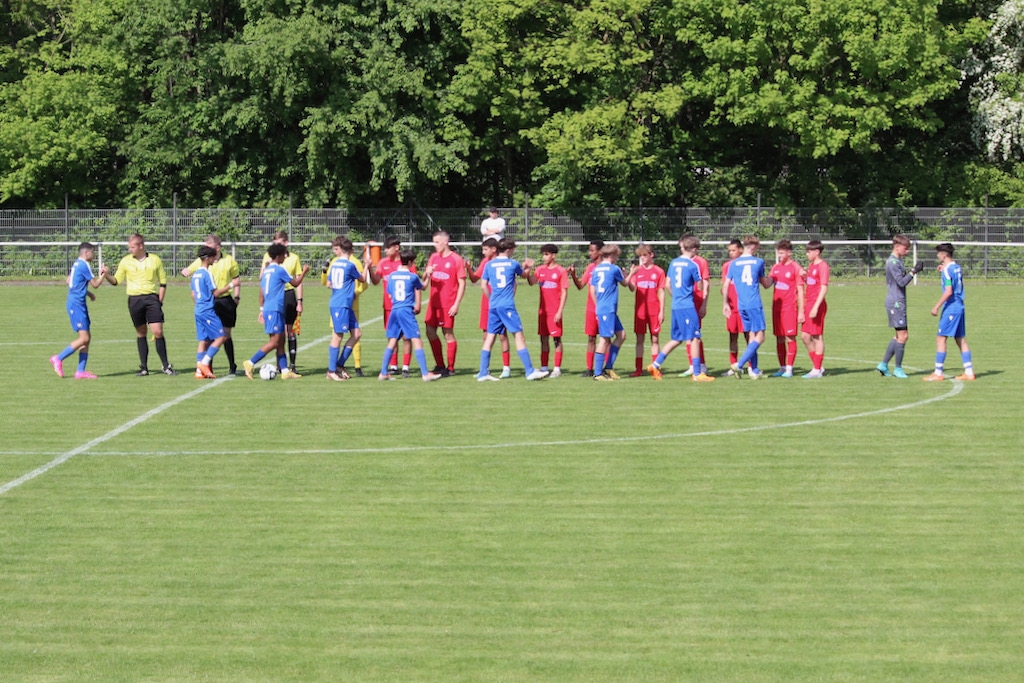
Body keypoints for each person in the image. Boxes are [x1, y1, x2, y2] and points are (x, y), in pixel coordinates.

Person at [102, 233, 177, 376]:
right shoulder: (125, 261)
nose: (130, 249)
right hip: (134, 300)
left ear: (141, 246)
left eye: (132, 247)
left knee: (157, 331)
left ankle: (165, 365)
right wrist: (106, 275)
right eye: (129, 247)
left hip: (152, 299)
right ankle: (144, 367)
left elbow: (163, 282)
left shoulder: (155, 260)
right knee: (141, 332)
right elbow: (116, 281)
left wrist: (160, 301)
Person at [476, 239, 548, 381]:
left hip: (494, 305)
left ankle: (483, 372)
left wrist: (491, 299)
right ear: (509, 249)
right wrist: (528, 266)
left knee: (490, 338)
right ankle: (529, 371)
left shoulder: (489, 264)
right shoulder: (512, 263)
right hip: (507, 305)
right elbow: (524, 275)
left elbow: (483, 285)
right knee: (518, 336)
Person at [647, 235, 715, 382]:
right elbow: (700, 285)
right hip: (687, 306)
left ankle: (655, 365)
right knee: (695, 338)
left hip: (676, 305)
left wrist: (676, 296)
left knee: (677, 339)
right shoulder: (692, 265)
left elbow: (667, 284)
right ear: (694, 249)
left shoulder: (674, 263)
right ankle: (697, 373)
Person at [244, 243, 310, 379]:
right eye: (284, 255)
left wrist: (262, 309)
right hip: (275, 309)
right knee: (274, 342)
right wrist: (304, 272)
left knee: (281, 341)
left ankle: (285, 371)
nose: (285, 258)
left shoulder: (267, 271)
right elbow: (295, 283)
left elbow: (261, 292)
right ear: (279, 256)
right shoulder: (280, 270)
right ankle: (250, 363)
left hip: (270, 308)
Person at [181, 234, 241, 375]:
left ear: (218, 248)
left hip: (222, 302)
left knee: (217, 336)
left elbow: (236, 277)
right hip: (210, 303)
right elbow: (216, 292)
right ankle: (205, 365)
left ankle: (223, 366)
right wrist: (231, 285)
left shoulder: (229, 260)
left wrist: (237, 297)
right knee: (218, 336)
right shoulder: (205, 270)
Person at [378, 250, 442, 382]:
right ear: (410, 262)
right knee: (416, 340)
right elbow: (423, 287)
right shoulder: (412, 276)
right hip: (406, 310)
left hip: (394, 309)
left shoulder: (392, 276)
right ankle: (425, 374)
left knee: (392, 341)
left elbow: (389, 293)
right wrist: (428, 275)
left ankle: (383, 372)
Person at [50, 242, 108, 379]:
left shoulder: (76, 264)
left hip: (78, 302)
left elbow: (70, 282)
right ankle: (58, 358)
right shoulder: (84, 265)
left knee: (87, 338)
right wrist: (104, 275)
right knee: (84, 338)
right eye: (93, 252)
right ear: (86, 253)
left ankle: (80, 371)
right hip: (76, 304)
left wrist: (87, 293)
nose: (94, 255)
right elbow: (95, 284)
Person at [923, 243, 976, 381]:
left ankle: (938, 373)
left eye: (939, 253)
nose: (937, 255)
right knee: (960, 339)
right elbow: (953, 279)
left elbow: (948, 291)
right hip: (960, 306)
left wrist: (936, 306)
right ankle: (969, 372)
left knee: (941, 338)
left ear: (944, 255)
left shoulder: (947, 270)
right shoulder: (956, 267)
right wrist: (944, 270)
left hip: (951, 308)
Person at [724, 235, 772, 379]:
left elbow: (726, 285)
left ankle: (754, 371)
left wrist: (725, 304)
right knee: (760, 336)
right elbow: (766, 284)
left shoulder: (734, 264)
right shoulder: (758, 262)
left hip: (741, 305)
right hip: (754, 304)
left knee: (752, 336)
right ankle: (739, 364)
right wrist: (774, 276)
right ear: (754, 247)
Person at [324, 236, 370, 381]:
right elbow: (362, 279)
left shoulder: (335, 264)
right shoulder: (350, 265)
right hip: (341, 304)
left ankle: (339, 365)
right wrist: (367, 265)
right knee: (338, 336)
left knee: (357, 334)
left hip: (343, 304)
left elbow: (328, 284)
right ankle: (331, 371)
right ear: (351, 251)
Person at [368, 235, 415, 377]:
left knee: (406, 336)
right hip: (389, 307)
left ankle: (406, 367)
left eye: (388, 248)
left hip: (405, 306)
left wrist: (416, 303)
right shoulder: (383, 263)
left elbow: (415, 285)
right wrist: (369, 268)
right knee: (392, 336)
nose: (385, 251)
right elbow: (376, 281)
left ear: (396, 248)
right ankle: (393, 366)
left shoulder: (406, 263)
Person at [878, 234, 924, 379]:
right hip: (896, 303)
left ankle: (883, 364)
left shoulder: (897, 261)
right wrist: (913, 271)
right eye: (905, 248)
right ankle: (898, 368)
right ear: (897, 246)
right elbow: (901, 282)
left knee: (899, 335)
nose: (907, 251)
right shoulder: (892, 262)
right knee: (903, 336)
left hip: (898, 302)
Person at [590, 244, 638, 381]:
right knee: (604, 339)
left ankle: (609, 367)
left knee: (621, 335)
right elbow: (625, 283)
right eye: (616, 255)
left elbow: (592, 290)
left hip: (604, 308)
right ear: (612, 255)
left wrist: (598, 306)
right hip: (608, 309)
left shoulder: (597, 269)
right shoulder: (614, 269)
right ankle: (598, 373)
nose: (617, 258)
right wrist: (632, 273)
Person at [424, 230, 467, 376]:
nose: (435, 245)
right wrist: (427, 272)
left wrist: (456, 304)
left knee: (447, 333)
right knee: (430, 332)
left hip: (447, 303)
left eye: (437, 242)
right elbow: (425, 278)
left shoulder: (456, 259)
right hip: (433, 303)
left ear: (446, 242)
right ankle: (440, 365)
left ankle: (450, 368)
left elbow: (462, 283)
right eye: (434, 242)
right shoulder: (433, 257)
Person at [467, 238, 511, 377]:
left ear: (494, 249)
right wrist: (468, 268)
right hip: (487, 304)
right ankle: (485, 369)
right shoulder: (485, 262)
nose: (483, 252)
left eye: (485, 249)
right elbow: (474, 279)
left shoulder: (502, 262)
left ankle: (506, 368)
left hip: (500, 302)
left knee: (502, 335)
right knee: (486, 335)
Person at [260, 231, 304, 372]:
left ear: (285, 243)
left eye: (279, 243)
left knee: (290, 331)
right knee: (279, 334)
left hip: (288, 295)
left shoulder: (294, 258)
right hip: (274, 298)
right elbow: (262, 279)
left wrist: (300, 301)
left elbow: (297, 282)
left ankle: (291, 365)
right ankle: (281, 366)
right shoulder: (269, 258)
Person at [526, 243, 569, 377]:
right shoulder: (540, 269)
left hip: (554, 311)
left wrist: (560, 311)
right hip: (543, 312)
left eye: (546, 254)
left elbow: (564, 292)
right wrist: (528, 269)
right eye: (543, 255)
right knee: (543, 339)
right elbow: (531, 282)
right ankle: (544, 367)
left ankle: (557, 369)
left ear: (553, 256)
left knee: (556, 339)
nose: (544, 257)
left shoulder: (561, 271)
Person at [768, 239, 805, 377]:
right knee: (779, 338)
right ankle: (782, 367)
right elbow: (767, 284)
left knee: (790, 338)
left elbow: (800, 291)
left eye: (782, 253)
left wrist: (801, 311)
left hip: (790, 308)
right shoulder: (775, 267)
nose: (779, 256)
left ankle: (789, 368)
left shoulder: (796, 268)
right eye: (778, 253)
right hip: (776, 309)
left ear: (789, 253)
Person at [628, 244, 665, 377]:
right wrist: (630, 274)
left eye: (645, 255)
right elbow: (632, 288)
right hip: (640, 311)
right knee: (639, 340)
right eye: (640, 256)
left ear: (651, 255)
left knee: (654, 339)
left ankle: (655, 368)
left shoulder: (659, 271)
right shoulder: (637, 271)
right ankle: (638, 369)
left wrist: (662, 311)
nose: (642, 258)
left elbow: (661, 291)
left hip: (654, 310)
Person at [569, 239, 604, 376]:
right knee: (591, 338)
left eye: (592, 250)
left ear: (600, 252)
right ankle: (589, 368)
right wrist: (573, 275)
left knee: (605, 338)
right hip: (591, 308)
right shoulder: (590, 268)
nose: (590, 253)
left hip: (604, 308)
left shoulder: (608, 267)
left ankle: (604, 368)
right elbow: (580, 286)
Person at [680, 235, 711, 377]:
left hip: (695, 301)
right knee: (688, 334)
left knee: (695, 334)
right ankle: (693, 365)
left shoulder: (700, 262)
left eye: (683, 247)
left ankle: (701, 365)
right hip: (684, 302)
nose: (682, 249)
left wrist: (704, 304)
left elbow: (705, 283)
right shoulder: (680, 262)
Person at [800, 239, 830, 378]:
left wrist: (816, 307)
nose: (807, 254)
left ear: (817, 252)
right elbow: (812, 283)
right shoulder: (811, 265)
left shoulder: (823, 266)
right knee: (805, 336)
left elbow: (823, 288)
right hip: (809, 304)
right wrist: (805, 277)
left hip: (816, 305)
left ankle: (816, 370)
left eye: (809, 251)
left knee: (817, 336)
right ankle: (818, 367)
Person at [720, 239, 748, 375]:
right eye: (729, 251)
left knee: (749, 336)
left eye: (733, 250)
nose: (731, 253)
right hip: (731, 307)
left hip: (744, 306)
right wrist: (725, 299)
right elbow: (724, 287)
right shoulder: (726, 266)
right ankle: (733, 365)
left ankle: (752, 366)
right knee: (733, 336)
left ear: (741, 250)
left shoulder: (746, 265)